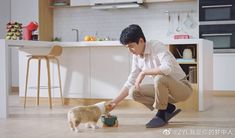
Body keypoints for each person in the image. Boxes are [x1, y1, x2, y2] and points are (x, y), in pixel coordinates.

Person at [107, 24, 193, 128]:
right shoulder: (137, 56)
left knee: (159, 78)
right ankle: (168, 108)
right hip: (164, 92)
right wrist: (114, 102)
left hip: (182, 88)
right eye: (127, 47)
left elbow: (167, 68)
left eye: (131, 46)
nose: (130, 51)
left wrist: (144, 72)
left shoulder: (157, 46)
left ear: (141, 41)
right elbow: (130, 81)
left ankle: (161, 115)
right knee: (133, 92)